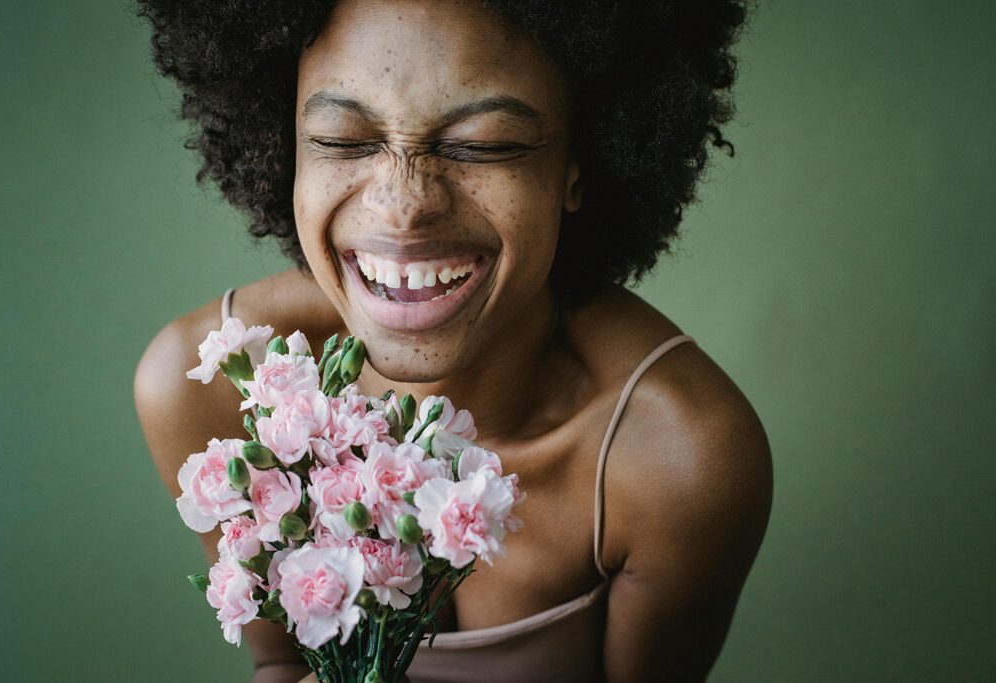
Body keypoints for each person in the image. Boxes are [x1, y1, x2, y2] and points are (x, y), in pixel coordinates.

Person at [133, 1, 772, 681]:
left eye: (484, 144)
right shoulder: (210, 390)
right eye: (344, 139)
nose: (404, 205)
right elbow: (280, 663)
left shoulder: (679, 460)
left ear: (578, 167)